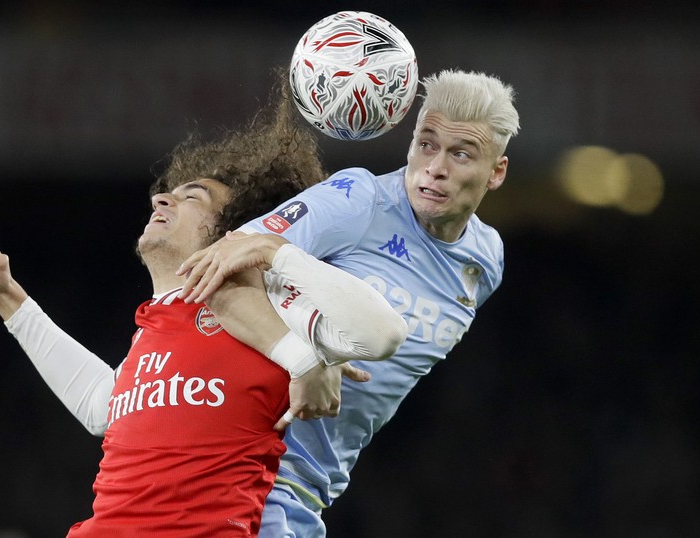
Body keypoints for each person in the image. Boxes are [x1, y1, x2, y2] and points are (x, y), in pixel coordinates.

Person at [0, 86, 407, 537]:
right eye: (169, 193)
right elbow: (105, 408)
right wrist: (7, 297)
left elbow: (383, 333)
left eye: (191, 197)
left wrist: (272, 252)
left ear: (229, 232)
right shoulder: (152, 327)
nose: (162, 198)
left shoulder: (265, 304)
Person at [178, 68, 522, 536]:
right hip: (248, 469)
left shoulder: (485, 262)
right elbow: (218, 267)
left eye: (461, 154)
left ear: (496, 172)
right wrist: (302, 359)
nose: (436, 167)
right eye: (426, 144)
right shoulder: (359, 199)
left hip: (309, 492)